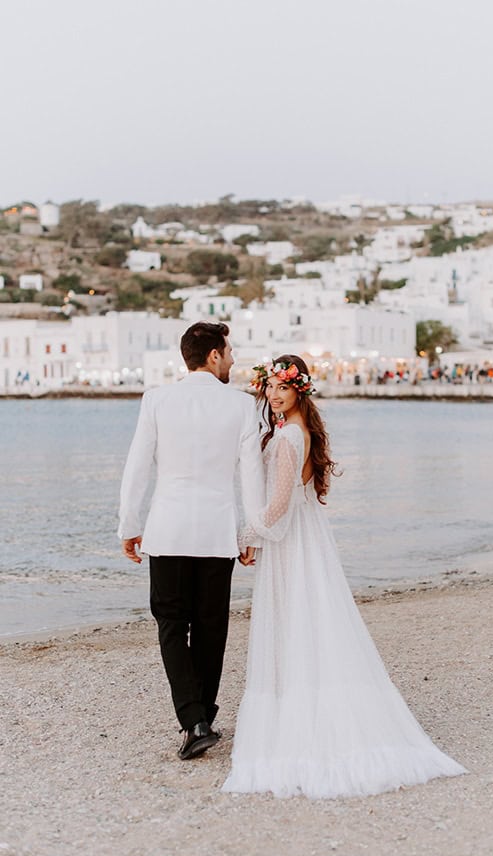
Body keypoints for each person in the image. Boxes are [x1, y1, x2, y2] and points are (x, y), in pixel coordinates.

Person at [223, 355, 466, 799]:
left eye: (282, 387)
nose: (274, 395)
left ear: (300, 390)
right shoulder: (299, 432)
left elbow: (278, 504)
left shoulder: (288, 437)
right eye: (270, 388)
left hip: (292, 545)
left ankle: (301, 725)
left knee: (295, 622)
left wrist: (247, 533)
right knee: (312, 623)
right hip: (305, 540)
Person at [118, 322, 264, 760]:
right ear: (214, 355)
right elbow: (251, 475)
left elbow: (137, 467)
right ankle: (203, 716)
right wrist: (251, 530)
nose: (234, 359)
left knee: (170, 624)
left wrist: (129, 525)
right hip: (217, 532)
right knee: (210, 626)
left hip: (168, 528)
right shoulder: (242, 406)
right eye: (230, 351)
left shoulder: (157, 400)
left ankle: (194, 720)